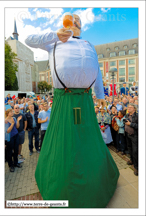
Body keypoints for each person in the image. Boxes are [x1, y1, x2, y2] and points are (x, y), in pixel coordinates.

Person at [25, 13, 119, 208]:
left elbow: (97, 70)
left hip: (85, 99)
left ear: (80, 26)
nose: (74, 23)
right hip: (64, 98)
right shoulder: (54, 42)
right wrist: (54, 35)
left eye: (77, 21)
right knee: (66, 139)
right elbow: (29, 40)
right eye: (71, 20)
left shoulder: (88, 44)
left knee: (87, 138)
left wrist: (100, 95)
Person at [124, 103, 138, 176]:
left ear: (134, 108)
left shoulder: (137, 116)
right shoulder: (127, 115)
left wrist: (131, 124)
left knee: (135, 151)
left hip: (134, 136)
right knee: (129, 149)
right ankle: (132, 160)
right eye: (128, 107)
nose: (128, 108)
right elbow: (125, 122)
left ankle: (136, 167)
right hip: (127, 134)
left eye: (130, 107)